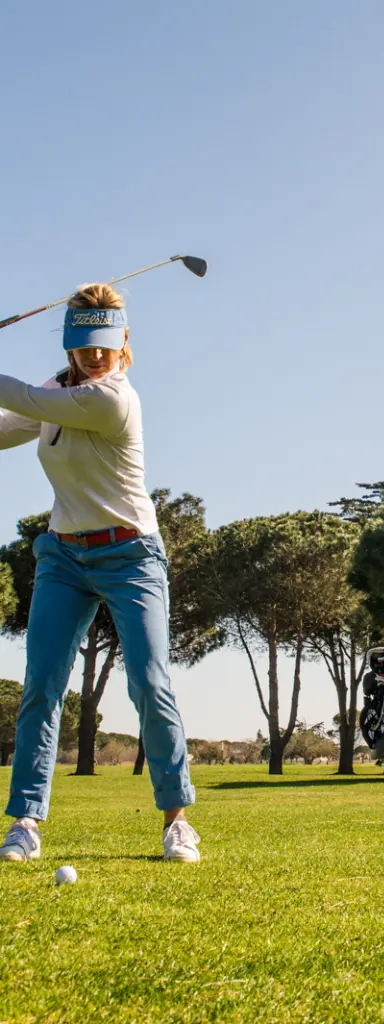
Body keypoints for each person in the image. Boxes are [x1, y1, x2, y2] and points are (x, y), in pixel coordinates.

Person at [0, 283, 200, 863]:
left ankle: (176, 820)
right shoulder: (54, 393)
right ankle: (25, 824)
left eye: (104, 344)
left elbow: (20, 396)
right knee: (41, 685)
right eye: (83, 344)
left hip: (130, 555)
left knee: (149, 682)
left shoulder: (113, 400)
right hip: (62, 557)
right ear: (69, 344)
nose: (94, 355)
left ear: (124, 341)